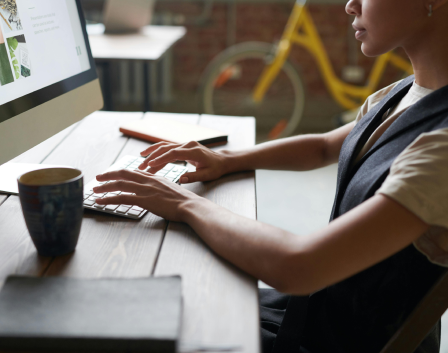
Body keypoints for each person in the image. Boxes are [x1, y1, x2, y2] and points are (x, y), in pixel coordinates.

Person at [94, 0, 448, 351]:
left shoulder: (442, 148)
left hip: (330, 341)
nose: (350, 5)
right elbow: (325, 146)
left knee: (126, 325)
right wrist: (225, 159)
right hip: (315, 310)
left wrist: (182, 203)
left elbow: (298, 266)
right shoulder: (403, 93)